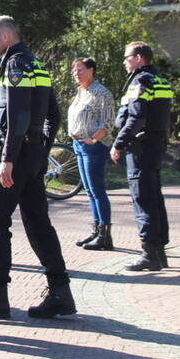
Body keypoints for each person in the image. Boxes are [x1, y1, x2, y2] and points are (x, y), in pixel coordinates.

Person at [0, 16, 75, 320]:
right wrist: (41, 148)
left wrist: (8, 159)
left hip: (16, 156)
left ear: (5, 36)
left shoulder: (14, 65)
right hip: (33, 154)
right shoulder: (36, 64)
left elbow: (17, 115)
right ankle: (60, 292)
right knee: (38, 223)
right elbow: (53, 114)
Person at [110, 41, 174, 271]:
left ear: (138, 58)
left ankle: (149, 253)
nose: (124, 62)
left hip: (141, 148)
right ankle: (159, 251)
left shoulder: (141, 81)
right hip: (155, 145)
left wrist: (118, 143)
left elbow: (136, 117)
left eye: (127, 57)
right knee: (154, 198)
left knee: (143, 199)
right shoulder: (160, 80)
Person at [68, 57, 116, 251]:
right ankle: (96, 231)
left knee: (97, 190)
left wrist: (94, 139)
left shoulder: (102, 93)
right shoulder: (81, 92)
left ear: (91, 70)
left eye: (80, 69)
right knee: (89, 190)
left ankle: (105, 235)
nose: (76, 73)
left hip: (93, 147)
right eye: (74, 70)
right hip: (79, 145)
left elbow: (109, 122)